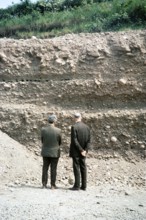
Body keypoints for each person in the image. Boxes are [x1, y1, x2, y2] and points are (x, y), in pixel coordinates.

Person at [69, 113, 91, 191]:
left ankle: (77, 186)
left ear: (75, 118)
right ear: (81, 117)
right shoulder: (87, 127)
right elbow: (89, 140)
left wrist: (81, 150)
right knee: (83, 167)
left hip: (76, 151)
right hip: (84, 151)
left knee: (76, 168)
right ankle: (84, 186)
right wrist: (85, 150)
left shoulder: (74, 127)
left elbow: (74, 140)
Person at [41, 114, 61, 189]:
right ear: (55, 121)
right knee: (53, 168)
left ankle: (44, 184)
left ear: (48, 121)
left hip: (45, 151)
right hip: (55, 152)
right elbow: (59, 141)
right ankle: (53, 185)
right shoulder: (58, 130)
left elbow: (42, 140)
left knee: (45, 168)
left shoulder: (43, 129)